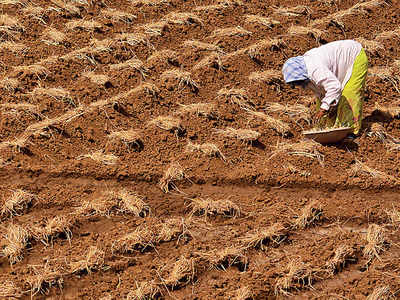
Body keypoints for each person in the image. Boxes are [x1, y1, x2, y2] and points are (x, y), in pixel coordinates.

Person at [282, 40, 368, 137]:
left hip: (354, 56)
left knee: (349, 94)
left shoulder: (315, 69)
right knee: (323, 102)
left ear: (300, 74)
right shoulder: (306, 71)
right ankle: (324, 128)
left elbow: (334, 87)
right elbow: (322, 92)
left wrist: (323, 109)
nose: (298, 85)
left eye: (297, 82)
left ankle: (350, 131)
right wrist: (327, 106)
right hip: (339, 65)